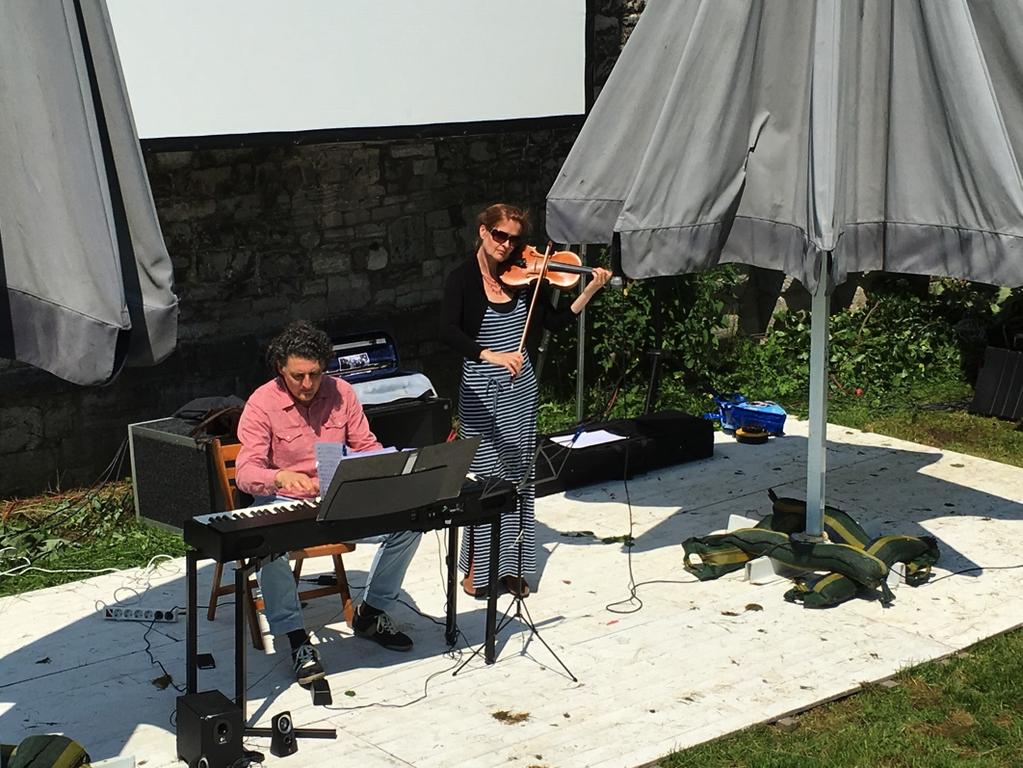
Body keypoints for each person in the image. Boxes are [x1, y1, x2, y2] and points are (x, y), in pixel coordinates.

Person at [235, 320, 421, 685]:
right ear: (280, 369)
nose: (307, 385)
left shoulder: (342, 393)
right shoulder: (262, 402)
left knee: (409, 524)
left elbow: (366, 446)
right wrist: (278, 477)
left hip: (337, 497)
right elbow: (245, 471)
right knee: (268, 546)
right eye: (298, 376)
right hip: (284, 500)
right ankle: (294, 637)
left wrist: (387, 466)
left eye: (315, 375)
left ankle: (370, 613)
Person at [440, 204, 611, 598]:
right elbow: (447, 331)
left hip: (520, 391)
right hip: (481, 391)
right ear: (483, 232)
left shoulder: (527, 279)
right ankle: (476, 572)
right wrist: (490, 355)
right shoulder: (462, 279)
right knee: (485, 481)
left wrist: (590, 288)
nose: (507, 246)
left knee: (520, 478)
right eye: (500, 235)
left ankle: (512, 568)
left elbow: (554, 322)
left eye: (515, 239)